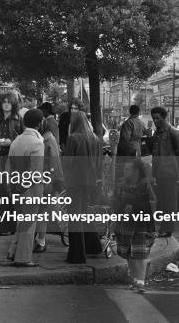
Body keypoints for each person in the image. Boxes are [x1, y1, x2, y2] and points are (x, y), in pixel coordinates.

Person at [6, 109, 45, 267]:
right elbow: (35, 173)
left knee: (22, 223)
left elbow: (8, 167)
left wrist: (13, 187)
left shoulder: (16, 141)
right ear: (40, 122)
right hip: (30, 190)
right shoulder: (37, 143)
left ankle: (13, 251)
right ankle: (23, 258)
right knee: (29, 225)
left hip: (16, 187)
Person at [112, 158, 157, 293]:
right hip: (125, 224)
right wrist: (122, 207)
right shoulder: (120, 186)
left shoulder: (145, 186)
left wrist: (136, 207)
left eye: (128, 169)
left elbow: (153, 203)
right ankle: (134, 279)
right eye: (124, 169)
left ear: (136, 171)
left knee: (140, 252)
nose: (124, 172)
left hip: (142, 224)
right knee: (129, 253)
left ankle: (141, 281)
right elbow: (114, 202)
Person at [63, 111, 103, 264]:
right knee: (85, 214)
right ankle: (93, 247)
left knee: (75, 217)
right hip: (91, 182)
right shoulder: (95, 139)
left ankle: (77, 254)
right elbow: (99, 163)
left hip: (75, 181)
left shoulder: (73, 138)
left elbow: (68, 161)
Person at [0, 91, 23, 236]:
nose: (6, 104)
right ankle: (3, 224)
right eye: (4, 101)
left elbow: (23, 138)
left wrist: (12, 141)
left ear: (13, 104)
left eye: (9, 101)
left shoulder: (18, 119)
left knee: (9, 192)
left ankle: (9, 225)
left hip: (12, 159)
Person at [33, 117, 64, 252]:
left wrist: (55, 180)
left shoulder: (47, 139)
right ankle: (40, 239)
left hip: (47, 181)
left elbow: (54, 162)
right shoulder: (45, 138)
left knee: (43, 211)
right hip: (44, 180)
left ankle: (41, 240)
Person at [150, 106, 179, 238]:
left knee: (169, 202)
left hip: (170, 173)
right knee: (161, 201)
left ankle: (168, 229)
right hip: (159, 173)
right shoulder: (156, 133)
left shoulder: (172, 132)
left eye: (157, 118)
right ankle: (163, 227)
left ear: (164, 117)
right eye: (153, 118)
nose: (155, 120)